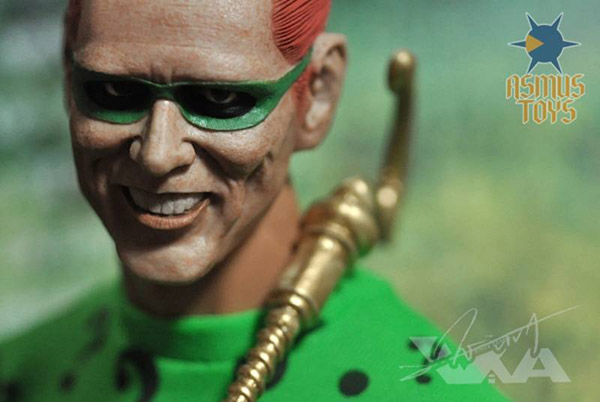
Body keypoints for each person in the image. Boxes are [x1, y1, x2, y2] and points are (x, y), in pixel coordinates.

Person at [0, 1, 510, 401]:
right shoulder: (22, 371)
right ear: (68, 76)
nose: (157, 155)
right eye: (113, 92)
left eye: (221, 100)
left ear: (319, 93)